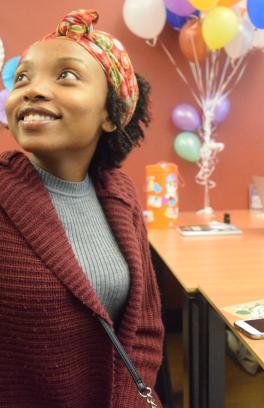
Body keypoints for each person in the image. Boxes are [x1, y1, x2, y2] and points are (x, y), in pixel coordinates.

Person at [0, 9, 164, 408]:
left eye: (66, 75)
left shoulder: (120, 195)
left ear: (110, 113)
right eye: (22, 77)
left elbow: (144, 329)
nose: (32, 90)